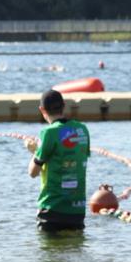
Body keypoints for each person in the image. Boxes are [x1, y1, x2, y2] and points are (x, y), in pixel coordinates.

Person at [24, 89, 91, 232]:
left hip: (52, 209)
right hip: (77, 210)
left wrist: (35, 150)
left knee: (50, 252)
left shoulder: (48, 133)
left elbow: (32, 172)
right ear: (63, 105)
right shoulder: (82, 129)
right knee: (75, 251)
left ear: (42, 110)